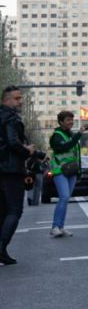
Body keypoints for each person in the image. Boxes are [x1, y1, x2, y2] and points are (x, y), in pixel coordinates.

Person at [1, 85, 41, 265]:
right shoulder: (10, 117)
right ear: (6, 100)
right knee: (14, 210)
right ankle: (1, 248)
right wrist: (27, 150)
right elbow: (12, 142)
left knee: (2, 211)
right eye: (17, 99)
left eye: (20, 98)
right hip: (11, 170)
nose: (20, 102)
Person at [49, 110, 88, 238]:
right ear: (61, 122)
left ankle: (61, 227)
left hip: (71, 171)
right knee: (64, 197)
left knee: (66, 199)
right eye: (68, 120)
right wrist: (79, 134)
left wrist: (79, 170)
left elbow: (76, 153)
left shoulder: (71, 134)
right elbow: (64, 147)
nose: (71, 122)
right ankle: (55, 227)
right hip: (60, 170)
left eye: (72, 120)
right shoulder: (56, 136)